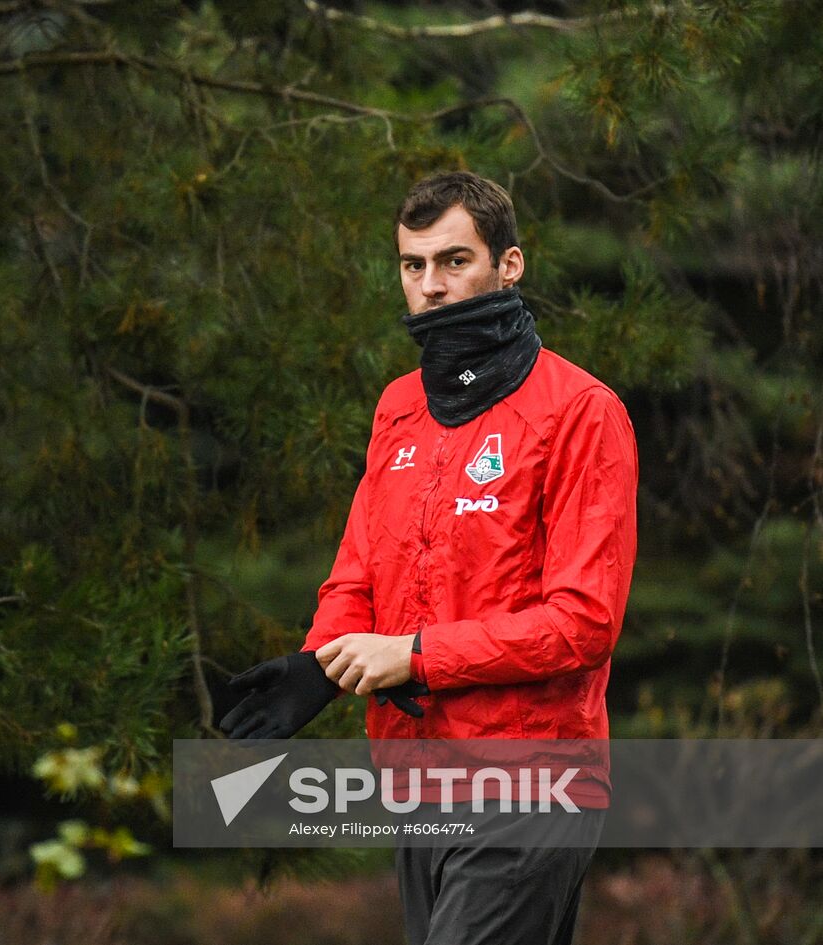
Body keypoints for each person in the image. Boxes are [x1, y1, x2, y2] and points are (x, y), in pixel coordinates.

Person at [219, 170, 639, 945]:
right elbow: (358, 573)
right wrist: (323, 662)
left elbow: (583, 624)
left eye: (454, 261)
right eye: (414, 266)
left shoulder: (582, 411)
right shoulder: (399, 407)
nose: (432, 286)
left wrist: (411, 656)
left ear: (508, 265)